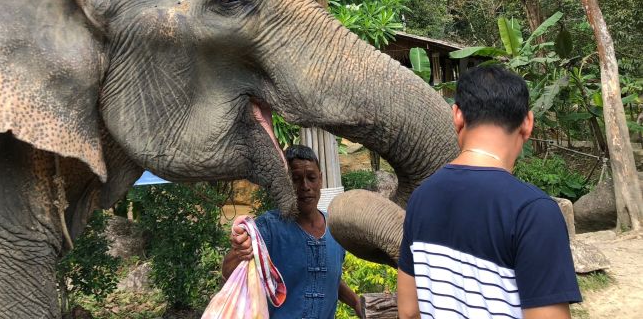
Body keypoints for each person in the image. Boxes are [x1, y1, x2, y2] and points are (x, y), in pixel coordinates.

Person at [397, 65, 582, 319]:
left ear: (457, 115)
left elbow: (408, 311)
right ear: (528, 122)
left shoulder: (421, 197)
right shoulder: (533, 212)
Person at [223, 144, 363, 318]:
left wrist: (356, 302)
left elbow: (329, 279)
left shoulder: (336, 228)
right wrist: (240, 252)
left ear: (321, 179)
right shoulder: (269, 228)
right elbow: (228, 272)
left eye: (311, 177)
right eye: (296, 179)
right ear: (285, 183)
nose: (305, 186)